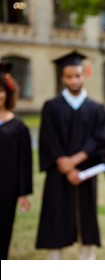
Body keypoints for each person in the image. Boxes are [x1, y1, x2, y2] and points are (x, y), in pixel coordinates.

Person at [36, 51, 105, 260]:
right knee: (56, 221)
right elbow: (48, 139)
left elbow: (99, 139)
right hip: (59, 175)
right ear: (62, 78)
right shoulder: (51, 107)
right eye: (69, 76)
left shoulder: (96, 108)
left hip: (85, 174)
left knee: (86, 222)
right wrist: (65, 165)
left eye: (77, 75)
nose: (74, 80)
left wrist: (74, 162)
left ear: (84, 75)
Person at [0, 62, 33, 260]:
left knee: (2, 231)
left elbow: (24, 162)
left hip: (6, 189)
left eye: (1, 90)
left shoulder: (18, 126)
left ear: (8, 92)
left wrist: (23, 194)